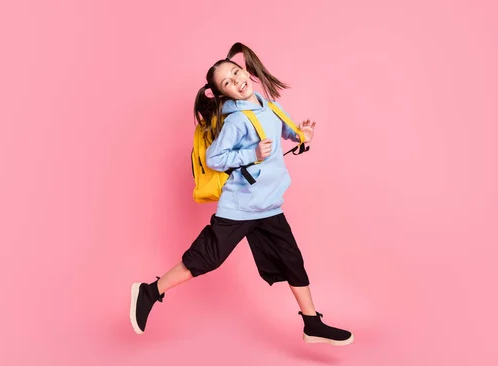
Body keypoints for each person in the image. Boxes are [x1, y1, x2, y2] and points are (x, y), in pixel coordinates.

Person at [130, 42, 353, 346]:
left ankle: (312, 323)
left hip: (269, 205)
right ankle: (150, 291)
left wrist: (303, 136)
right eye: (228, 83)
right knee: (206, 258)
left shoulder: (269, 105)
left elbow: (286, 133)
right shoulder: (235, 120)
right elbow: (215, 159)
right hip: (240, 206)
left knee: (292, 261)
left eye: (236, 73)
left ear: (245, 71)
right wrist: (252, 152)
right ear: (224, 94)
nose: (238, 81)